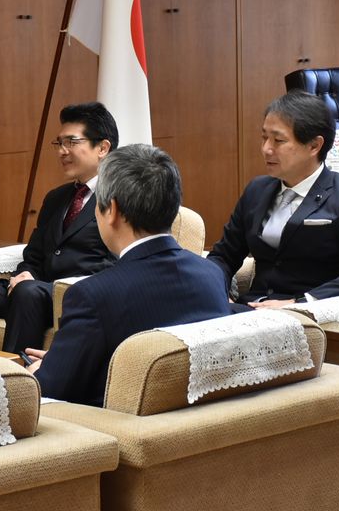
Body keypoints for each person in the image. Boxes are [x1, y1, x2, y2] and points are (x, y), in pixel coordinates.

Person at [28, 144, 231, 406]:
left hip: (111, 430)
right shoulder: (211, 274)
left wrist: (37, 374)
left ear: (111, 210)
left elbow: (50, 392)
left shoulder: (91, 295)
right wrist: (60, 361)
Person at [0, 102, 119, 352]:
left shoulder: (118, 198)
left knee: (28, 292)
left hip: (73, 297)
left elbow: (116, 265)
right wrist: (25, 274)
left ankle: (16, 380)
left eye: (71, 142)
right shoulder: (56, 198)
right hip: (32, 293)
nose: (62, 151)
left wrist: (41, 285)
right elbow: (34, 256)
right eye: (59, 143)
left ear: (102, 147)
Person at [207, 91, 339, 308]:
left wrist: (299, 303)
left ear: (314, 146)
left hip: (308, 316)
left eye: (278, 140)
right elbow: (223, 256)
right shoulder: (257, 190)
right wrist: (214, 291)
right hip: (249, 311)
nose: (266, 149)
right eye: (264, 137)